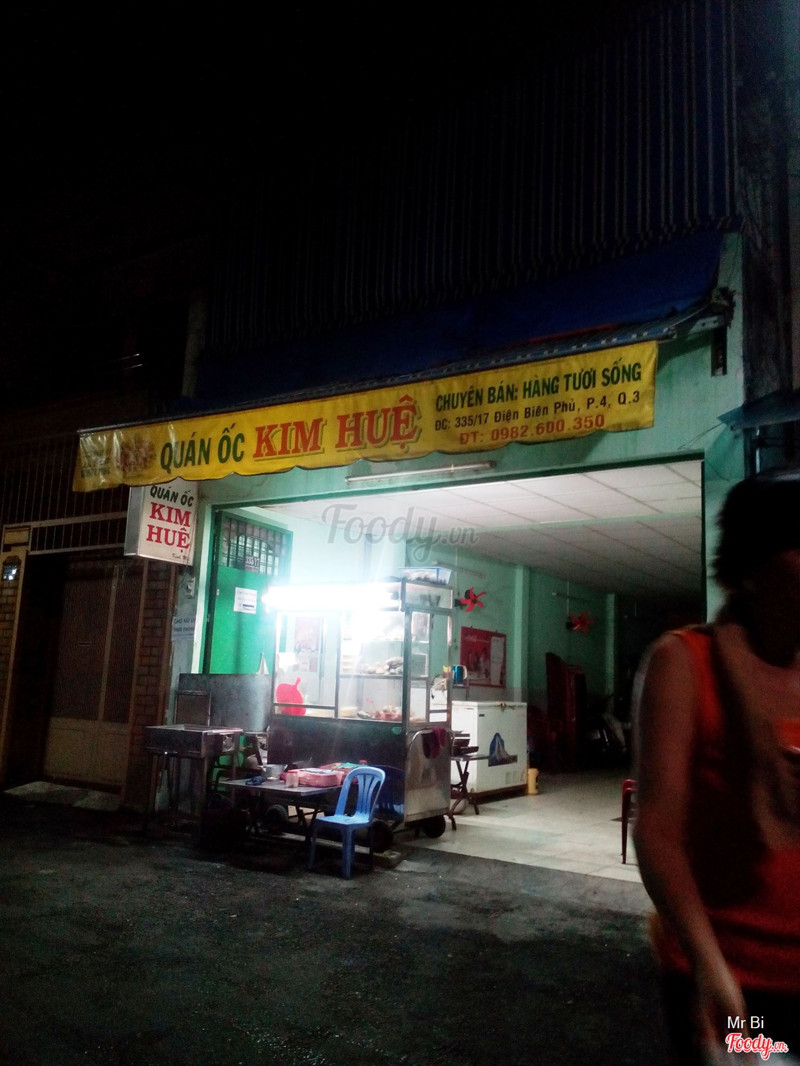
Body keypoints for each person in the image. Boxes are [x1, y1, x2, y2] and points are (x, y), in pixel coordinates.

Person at [632, 475, 800, 1065]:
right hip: (737, 987)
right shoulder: (684, 663)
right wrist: (709, 968)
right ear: (752, 571)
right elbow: (658, 830)